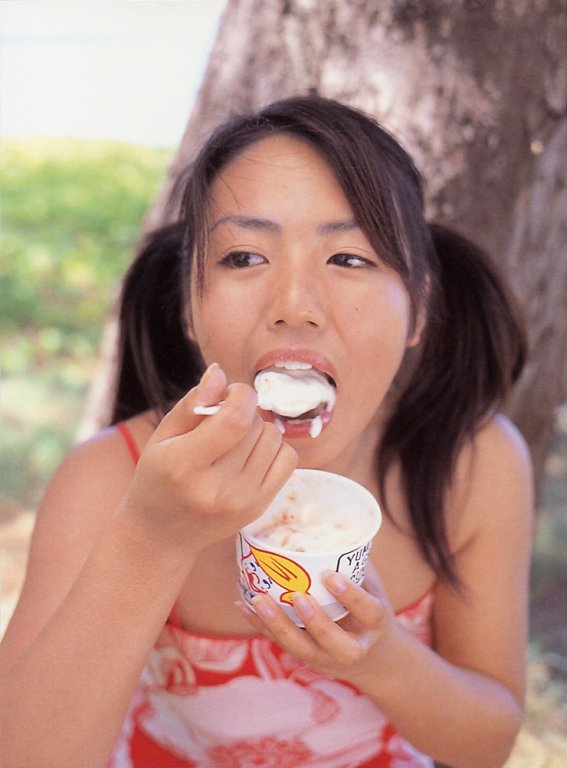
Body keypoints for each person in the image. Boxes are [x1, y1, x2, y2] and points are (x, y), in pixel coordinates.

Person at [0, 96, 533, 768]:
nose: (294, 306)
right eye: (245, 256)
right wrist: (151, 537)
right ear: (189, 307)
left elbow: (488, 742)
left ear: (419, 309)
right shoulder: (110, 480)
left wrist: (384, 661)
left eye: (349, 259)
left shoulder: (472, 466)